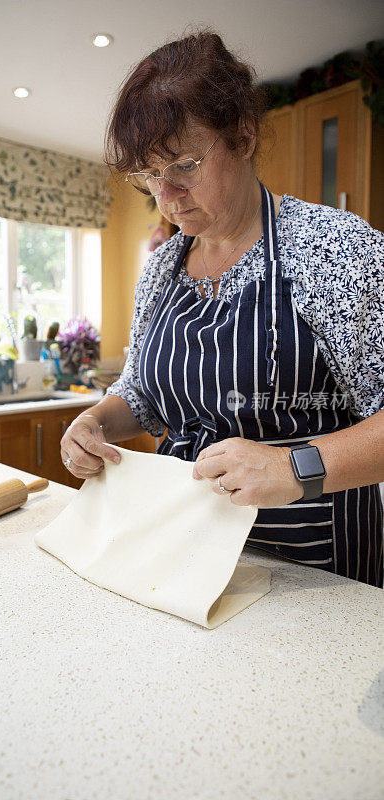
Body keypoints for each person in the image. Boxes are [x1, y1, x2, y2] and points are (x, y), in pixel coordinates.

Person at [60, 29, 384, 587]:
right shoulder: (163, 269)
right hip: (183, 551)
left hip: (315, 572)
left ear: (244, 135)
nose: (167, 196)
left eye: (184, 163)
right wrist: (95, 422)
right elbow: (142, 393)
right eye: (149, 175)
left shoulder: (333, 249)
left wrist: (292, 466)